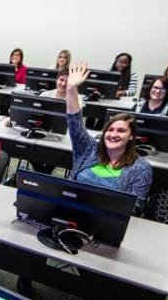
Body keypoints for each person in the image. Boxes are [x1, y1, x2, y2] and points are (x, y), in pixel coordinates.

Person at [65, 62, 152, 210]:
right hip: (70, 210)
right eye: (110, 130)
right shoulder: (89, 149)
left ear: (131, 136)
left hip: (105, 221)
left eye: (121, 131)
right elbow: (74, 122)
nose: (113, 134)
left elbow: (134, 207)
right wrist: (71, 89)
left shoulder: (141, 168)